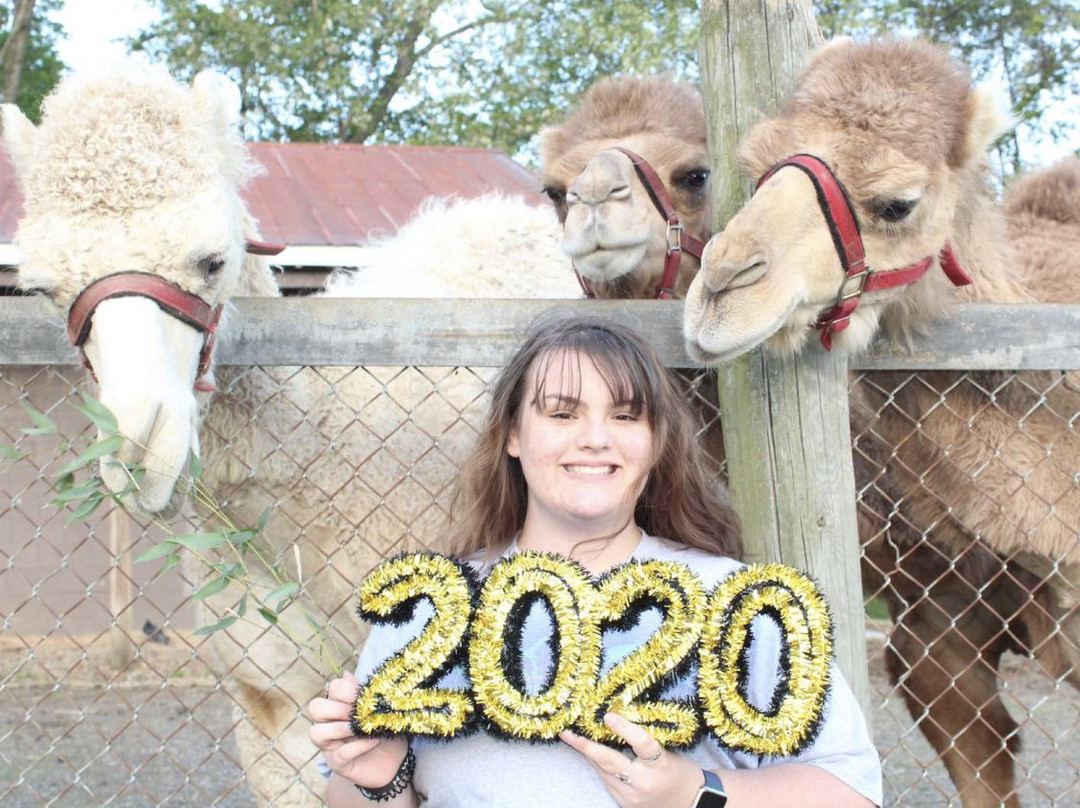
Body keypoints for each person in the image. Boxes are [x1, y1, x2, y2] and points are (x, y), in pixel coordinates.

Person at [307, 311, 882, 807]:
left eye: (626, 416)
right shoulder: (428, 614)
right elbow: (360, 797)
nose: (595, 438)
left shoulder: (733, 603)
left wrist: (696, 791)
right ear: (512, 433)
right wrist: (378, 777)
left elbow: (851, 789)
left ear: (656, 443)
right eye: (562, 413)